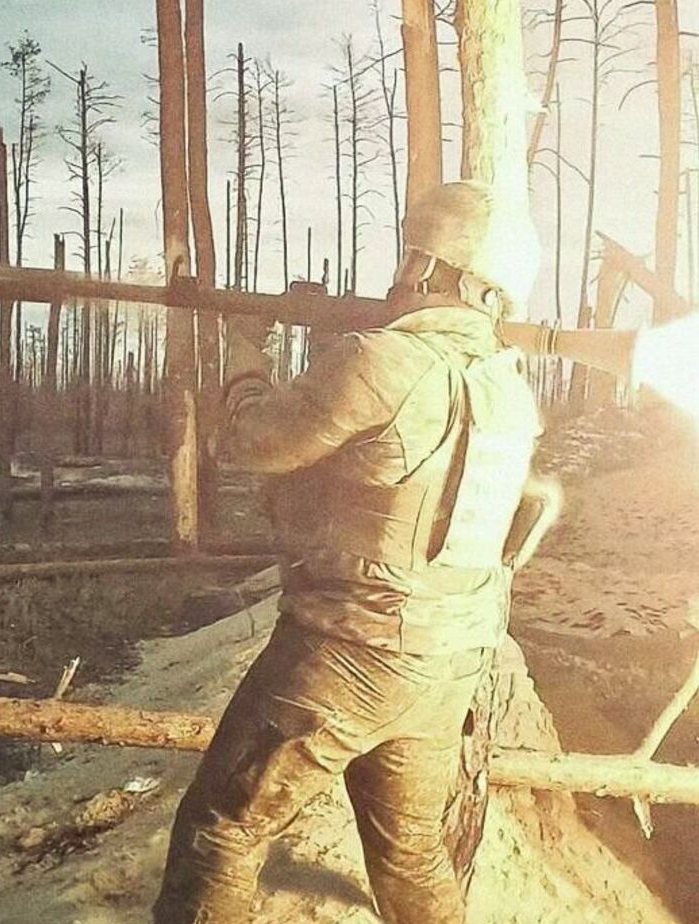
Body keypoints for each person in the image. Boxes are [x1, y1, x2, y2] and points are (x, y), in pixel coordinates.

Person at [151, 180, 545, 924]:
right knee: (412, 857)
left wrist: (243, 349)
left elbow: (250, 443)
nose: (402, 273)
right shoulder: (509, 393)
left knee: (222, 832)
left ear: (434, 270)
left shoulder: (379, 361)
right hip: (446, 665)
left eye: (413, 258)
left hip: (346, 654)